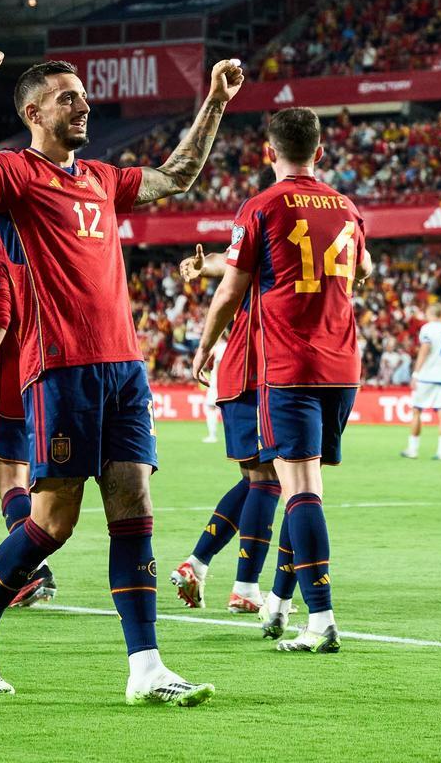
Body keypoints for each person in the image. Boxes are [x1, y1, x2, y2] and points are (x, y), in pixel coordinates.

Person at [0, 42, 242, 703]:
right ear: (32, 112)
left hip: (124, 369)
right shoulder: (17, 175)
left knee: (134, 503)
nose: (83, 105)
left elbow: (178, 175)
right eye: (67, 98)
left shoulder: (103, 178)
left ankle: (146, 668)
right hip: (61, 368)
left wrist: (215, 103)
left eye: (82, 97)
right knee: (53, 522)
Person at [193, 107, 372, 653]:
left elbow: (230, 289)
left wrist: (205, 346)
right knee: (304, 488)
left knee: (298, 490)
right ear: (320, 152)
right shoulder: (345, 207)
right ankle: (279, 602)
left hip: (289, 366)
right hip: (342, 366)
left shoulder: (262, 206)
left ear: (269, 153)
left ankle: (321, 619)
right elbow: (363, 271)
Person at [169, 243, 286, 618]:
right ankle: (245, 588)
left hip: (253, 374)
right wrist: (205, 268)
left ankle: (197, 564)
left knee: (256, 480)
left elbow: (229, 262)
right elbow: (227, 264)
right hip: (252, 374)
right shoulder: (274, 252)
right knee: (267, 479)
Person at [0, 226, 57, 608]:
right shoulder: (50, 252)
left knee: (10, 480)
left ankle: (31, 571)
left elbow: (1, 316)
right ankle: (35, 568)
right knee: (40, 484)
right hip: (57, 378)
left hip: (15, 383)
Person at [401, 304, 441, 461]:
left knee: (417, 411)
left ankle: (412, 449)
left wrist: (416, 373)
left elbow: (425, 349)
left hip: (427, 376)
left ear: (431, 313)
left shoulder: (428, 328)